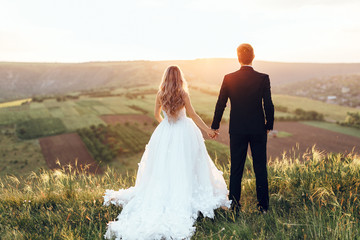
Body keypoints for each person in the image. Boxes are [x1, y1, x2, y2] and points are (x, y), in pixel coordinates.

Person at [103, 65, 231, 239]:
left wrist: (166, 124)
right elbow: (193, 115)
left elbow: (156, 114)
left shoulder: (160, 94)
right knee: (186, 163)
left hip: (165, 130)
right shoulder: (183, 94)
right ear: (179, 78)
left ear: (165, 77)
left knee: (163, 165)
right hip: (184, 131)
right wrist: (208, 130)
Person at [211, 43, 274, 213]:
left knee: (236, 168)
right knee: (260, 167)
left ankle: (234, 206)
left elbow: (221, 104)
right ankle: (263, 207)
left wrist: (215, 126)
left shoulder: (229, 78)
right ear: (253, 57)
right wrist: (269, 124)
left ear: (238, 58)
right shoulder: (263, 78)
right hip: (258, 129)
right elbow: (268, 103)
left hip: (237, 129)